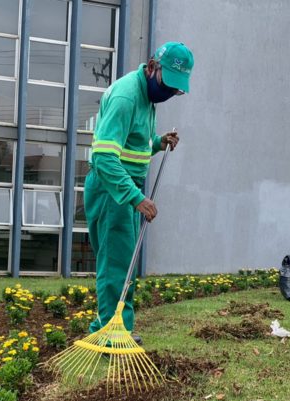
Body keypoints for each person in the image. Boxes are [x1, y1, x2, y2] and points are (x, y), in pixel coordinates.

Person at [85, 42, 194, 344]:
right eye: (167, 84)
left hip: (127, 189)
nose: (170, 93)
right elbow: (106, 158)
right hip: (113, 190)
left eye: (176, 90)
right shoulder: (125, 96)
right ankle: (110, 334)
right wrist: (135, 198)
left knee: (126, 264)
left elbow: (134, 143)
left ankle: (120, 328)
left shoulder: (147, 98)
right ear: (151, 67)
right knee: (116, 263)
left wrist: (158, 142)